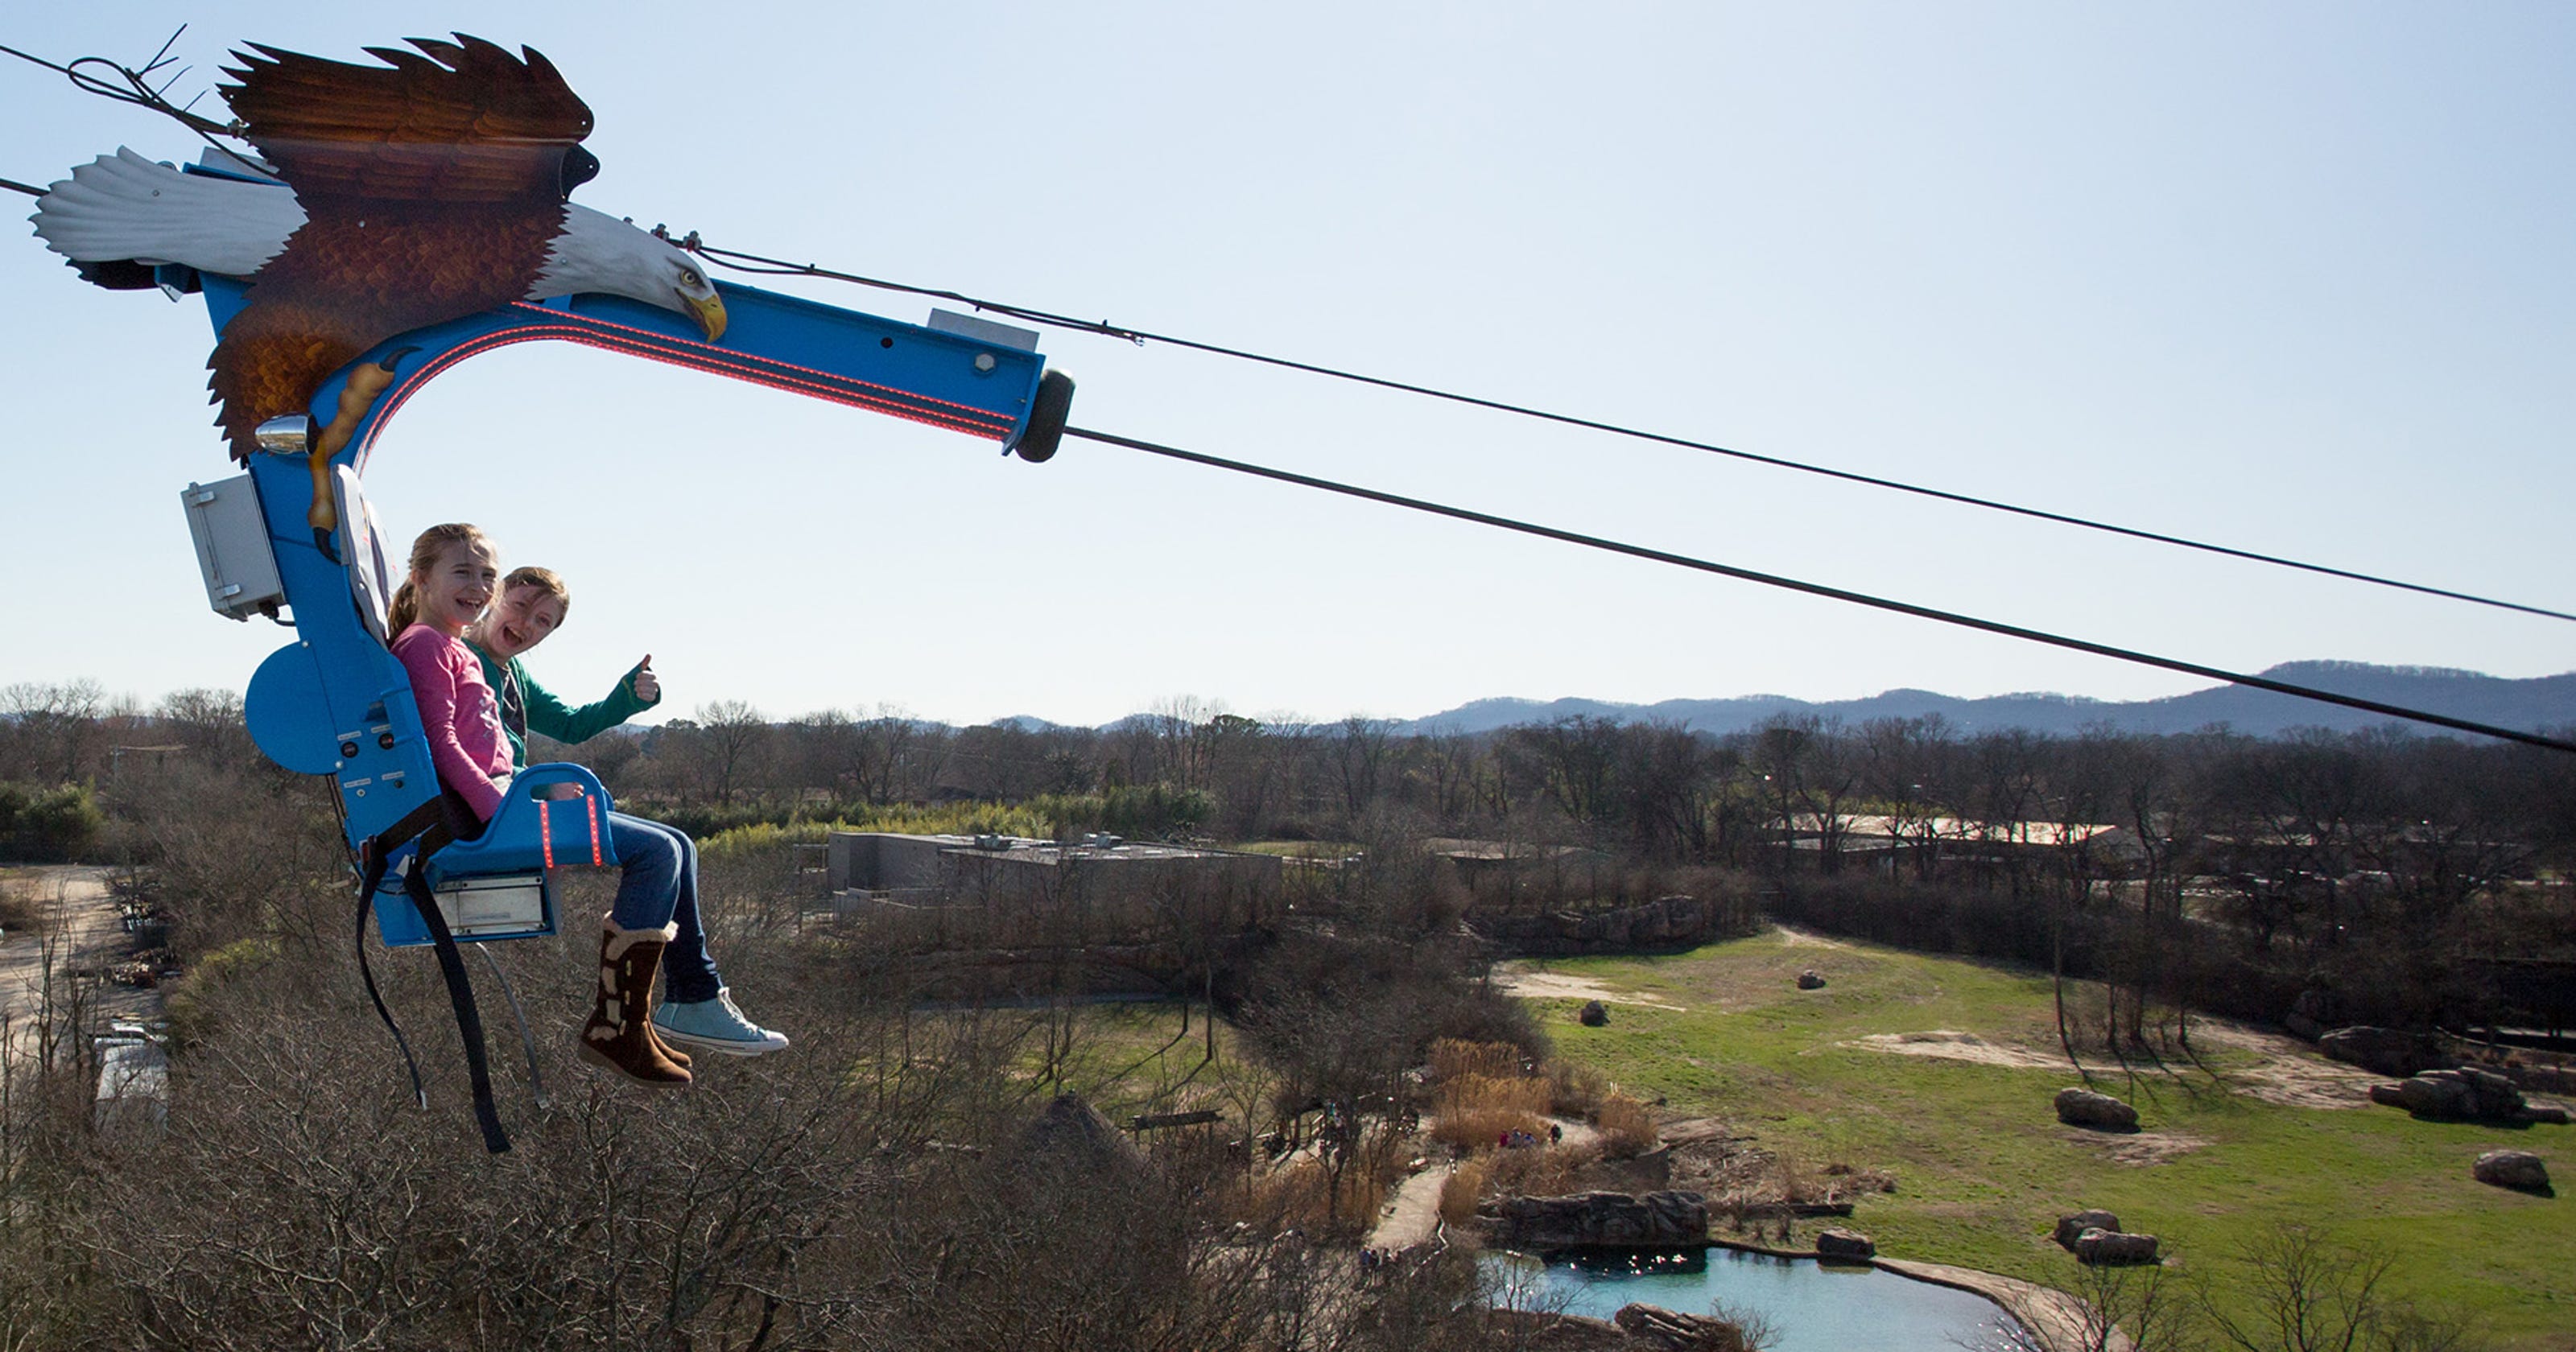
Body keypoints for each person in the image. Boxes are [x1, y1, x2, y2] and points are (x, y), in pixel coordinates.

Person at [459, 564, 787, 1062]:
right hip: (502, 811)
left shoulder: (512, 673)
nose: (527, 624)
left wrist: (624, 699)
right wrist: (545, 787)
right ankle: (620, 1022)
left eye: (543, 621)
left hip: (520, 800)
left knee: (680, 844)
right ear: (494, 596)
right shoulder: (463, 659)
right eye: (521, 605)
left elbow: (569, 725)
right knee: (655, 852)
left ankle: (694, 994)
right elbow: (470, 751)